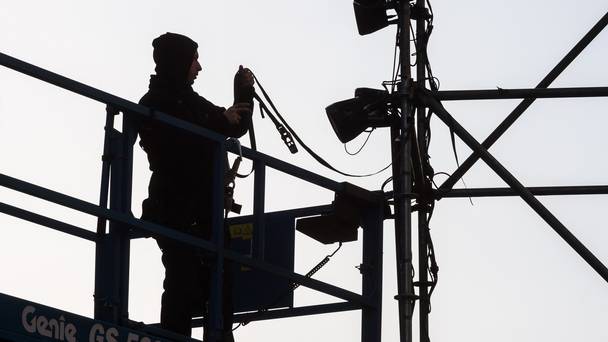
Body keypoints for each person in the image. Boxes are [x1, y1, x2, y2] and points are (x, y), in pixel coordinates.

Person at [138, 32, 253, 341]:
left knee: (220, 278)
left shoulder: (188, 102)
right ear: (180, 62)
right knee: (182, 280)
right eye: (194, 59)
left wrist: (243, 92)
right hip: (176, 209)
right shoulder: (155, 102)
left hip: (204, 212)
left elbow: (232, 124)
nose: (199, 67)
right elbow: (179, 143)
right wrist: (218, 123)